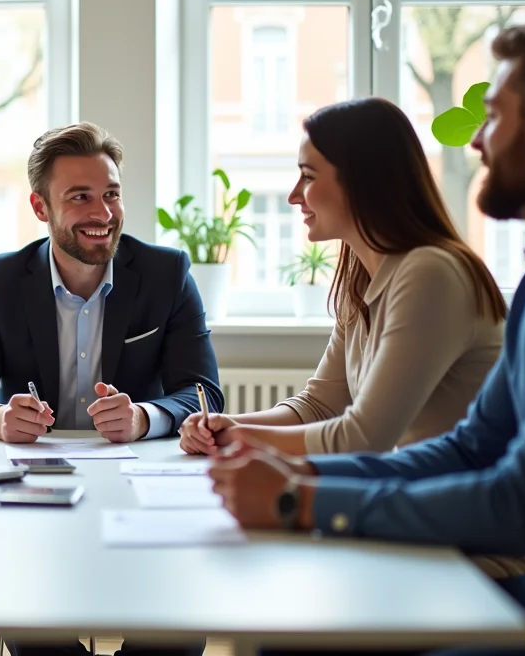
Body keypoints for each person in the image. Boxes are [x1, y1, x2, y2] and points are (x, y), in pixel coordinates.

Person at [210, 10, 525, 656]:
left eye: (494, 116)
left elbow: (520, 501)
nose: (476, 142)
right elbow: (472, 448)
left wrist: (303, 502)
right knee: (295, 634)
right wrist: (295, 477)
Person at [0, 122, 221, 656]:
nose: (103, 213)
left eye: (111, 194)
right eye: (80, 197)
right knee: (34, 626)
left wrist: (143, 416)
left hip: (141, 488)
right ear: (40, 208)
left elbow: (203, 392)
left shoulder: (167, 273)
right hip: (38, 494)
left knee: (178, 627)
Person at [180, 97, 505, 458]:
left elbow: (364, 438)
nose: (293, 195)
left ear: (361, 182)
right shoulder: (363, 280)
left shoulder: (431, 273)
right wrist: (229, 425)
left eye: (308, 175)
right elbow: (320, 405)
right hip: (417, 491)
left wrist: (243, 441)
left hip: (462, 502)